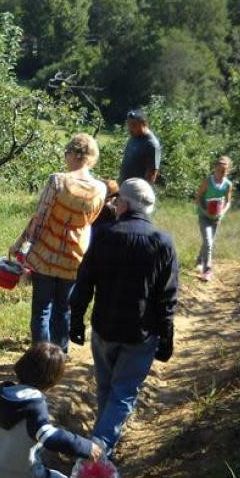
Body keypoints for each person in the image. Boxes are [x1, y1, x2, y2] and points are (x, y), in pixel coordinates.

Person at [69, 178, 179, 455]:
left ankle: (99, 443)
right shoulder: (163, 243)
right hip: (140, 333)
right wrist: (166, 338)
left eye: (118, 202)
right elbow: (167, 298)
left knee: (107, 387)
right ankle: (100, 447)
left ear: (125, 204)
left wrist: (76, 319)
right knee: (124, 392)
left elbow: (84, 283)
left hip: (104, 328)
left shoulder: (104, 235)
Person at [11, 134, 106, 353]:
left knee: (42, 309)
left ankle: (42, 357)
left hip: (46, 253)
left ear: (72, 154)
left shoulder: (58, 180)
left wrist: (22, 245)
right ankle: (60, 355)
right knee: (63, 309)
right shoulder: (100, 189)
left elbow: (40, 218)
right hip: (74, 256)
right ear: (92, 158)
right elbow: (89, 222)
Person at [0, 343, 103, 478]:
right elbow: (50, 437)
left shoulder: (2, 393)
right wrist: (85, 446)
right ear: (52, 379)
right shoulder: (34, 404)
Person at [195, 156, 234, 282]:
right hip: (204, 216)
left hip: (217, 217)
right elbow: (198, 197)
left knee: (208, 241)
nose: (221, 173)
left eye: (223, 171)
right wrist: (204, 210)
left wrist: (222, 212)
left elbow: (228, 202)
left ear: (227, 171)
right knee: (209, 242)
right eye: (218, 170)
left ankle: (199, 260)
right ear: (215, 169)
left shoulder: (228, 184)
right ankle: (207, 270)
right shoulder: (208, 181)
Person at [118, 108, 161, 184]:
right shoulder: (134, 136)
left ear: (144, 124)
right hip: (124, 186)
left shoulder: (152, 144)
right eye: (129, 124)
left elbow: (152, 174)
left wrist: (143, 192)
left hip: (136, 191)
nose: (130, 128)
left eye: (134, 125)